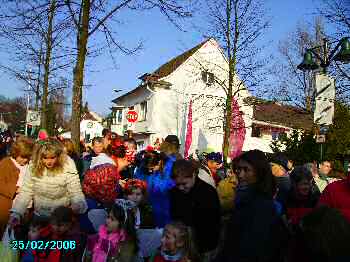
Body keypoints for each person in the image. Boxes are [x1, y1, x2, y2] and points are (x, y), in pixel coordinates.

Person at [217, 150, 285, 262]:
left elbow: (252, 246)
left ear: (259, 172)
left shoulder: (261, 204)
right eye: (238, 169)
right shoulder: (243, 197)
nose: (240, 174)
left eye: (246, 170)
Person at [9, 138, 87, 227]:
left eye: (52, 157)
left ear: (58, 155)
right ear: (39, 157)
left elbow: (75, 191)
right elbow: (26, 191)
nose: (49, 162)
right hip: (39, 215)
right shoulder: (33, 165)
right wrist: (17, 213)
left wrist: (78, 205)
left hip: (60, 219)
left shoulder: (67, 165)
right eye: (45, 158)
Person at [170, 159, 221, 260]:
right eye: (177, 184)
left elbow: (212, 224)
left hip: (204, 246)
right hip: (183, 245)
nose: (180, 188)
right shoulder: (175, 192)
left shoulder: (208, 193)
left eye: (184, 184)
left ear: (193, 175)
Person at [0, 136, 34, 236]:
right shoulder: (6, 163)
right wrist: (15, 189)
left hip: (25, 209)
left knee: (20, 236)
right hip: (7, 209)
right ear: (15, 153)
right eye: (22, 157)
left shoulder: (30, 166)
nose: (25, 160)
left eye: (28, 157)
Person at [135, 149, 175, 228]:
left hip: (165, 212)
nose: (150, 170)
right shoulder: (143, 170)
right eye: (148, 168)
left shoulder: (169, 171)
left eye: (152, 168)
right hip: (148, 212)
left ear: (159, 162)